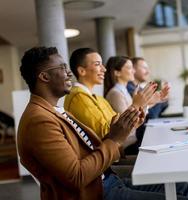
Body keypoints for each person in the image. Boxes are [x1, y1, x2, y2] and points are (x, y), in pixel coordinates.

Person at [17, 46, 142, 200]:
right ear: (44, 77)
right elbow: (77, 176)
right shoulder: (39, 121)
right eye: (62, 68)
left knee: (180, 187)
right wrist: (114, 140)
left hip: (107, 180)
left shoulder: (55, 110)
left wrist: (119, 129)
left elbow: (88, 151)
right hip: (98, 191)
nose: (69, 73)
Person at [104, 56, 169, 154]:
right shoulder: (115, 94)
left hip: (133, 140)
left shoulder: (123, 91)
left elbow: (135, 114)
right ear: (117, 73)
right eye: (129, 68)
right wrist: (145, 103)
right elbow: (126, 125)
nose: (133, 71)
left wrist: (153, 101)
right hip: (128, 145)